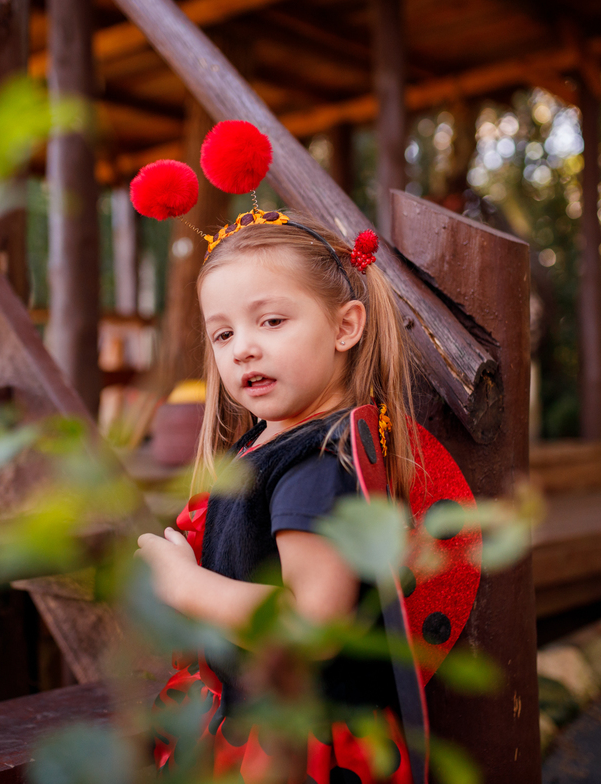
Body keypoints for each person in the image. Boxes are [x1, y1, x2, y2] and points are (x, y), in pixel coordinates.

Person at [132, 121, 420, 783]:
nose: (243, 348)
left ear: (347, 326)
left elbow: (311, 623)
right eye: (224, 333)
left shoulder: (316, 466)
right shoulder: (270, 441)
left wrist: (186, 585)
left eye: (271, 320)